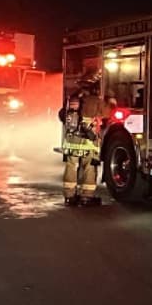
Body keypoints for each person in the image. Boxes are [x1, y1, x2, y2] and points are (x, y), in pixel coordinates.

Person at [59, 69, 105, 206]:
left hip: (71, 141)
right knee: (89, 167)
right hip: (88, 142)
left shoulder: (71, 99)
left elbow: (62, 115)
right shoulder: (94, 101)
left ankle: (69, 197)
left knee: (70, 167)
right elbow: (107, 112)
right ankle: (87, 197)